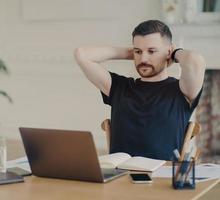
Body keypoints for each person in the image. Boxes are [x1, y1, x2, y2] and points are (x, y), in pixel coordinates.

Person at [74, 20, 205, 160]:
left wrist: (174, 53)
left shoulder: (182, 91)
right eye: (138, 51)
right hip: (120, 176)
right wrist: (130, 53)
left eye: (151, 51)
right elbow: (81, 54)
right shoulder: (119, 87)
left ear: (168, 51)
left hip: (161, 177)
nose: (143, 59)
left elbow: (194, 60)